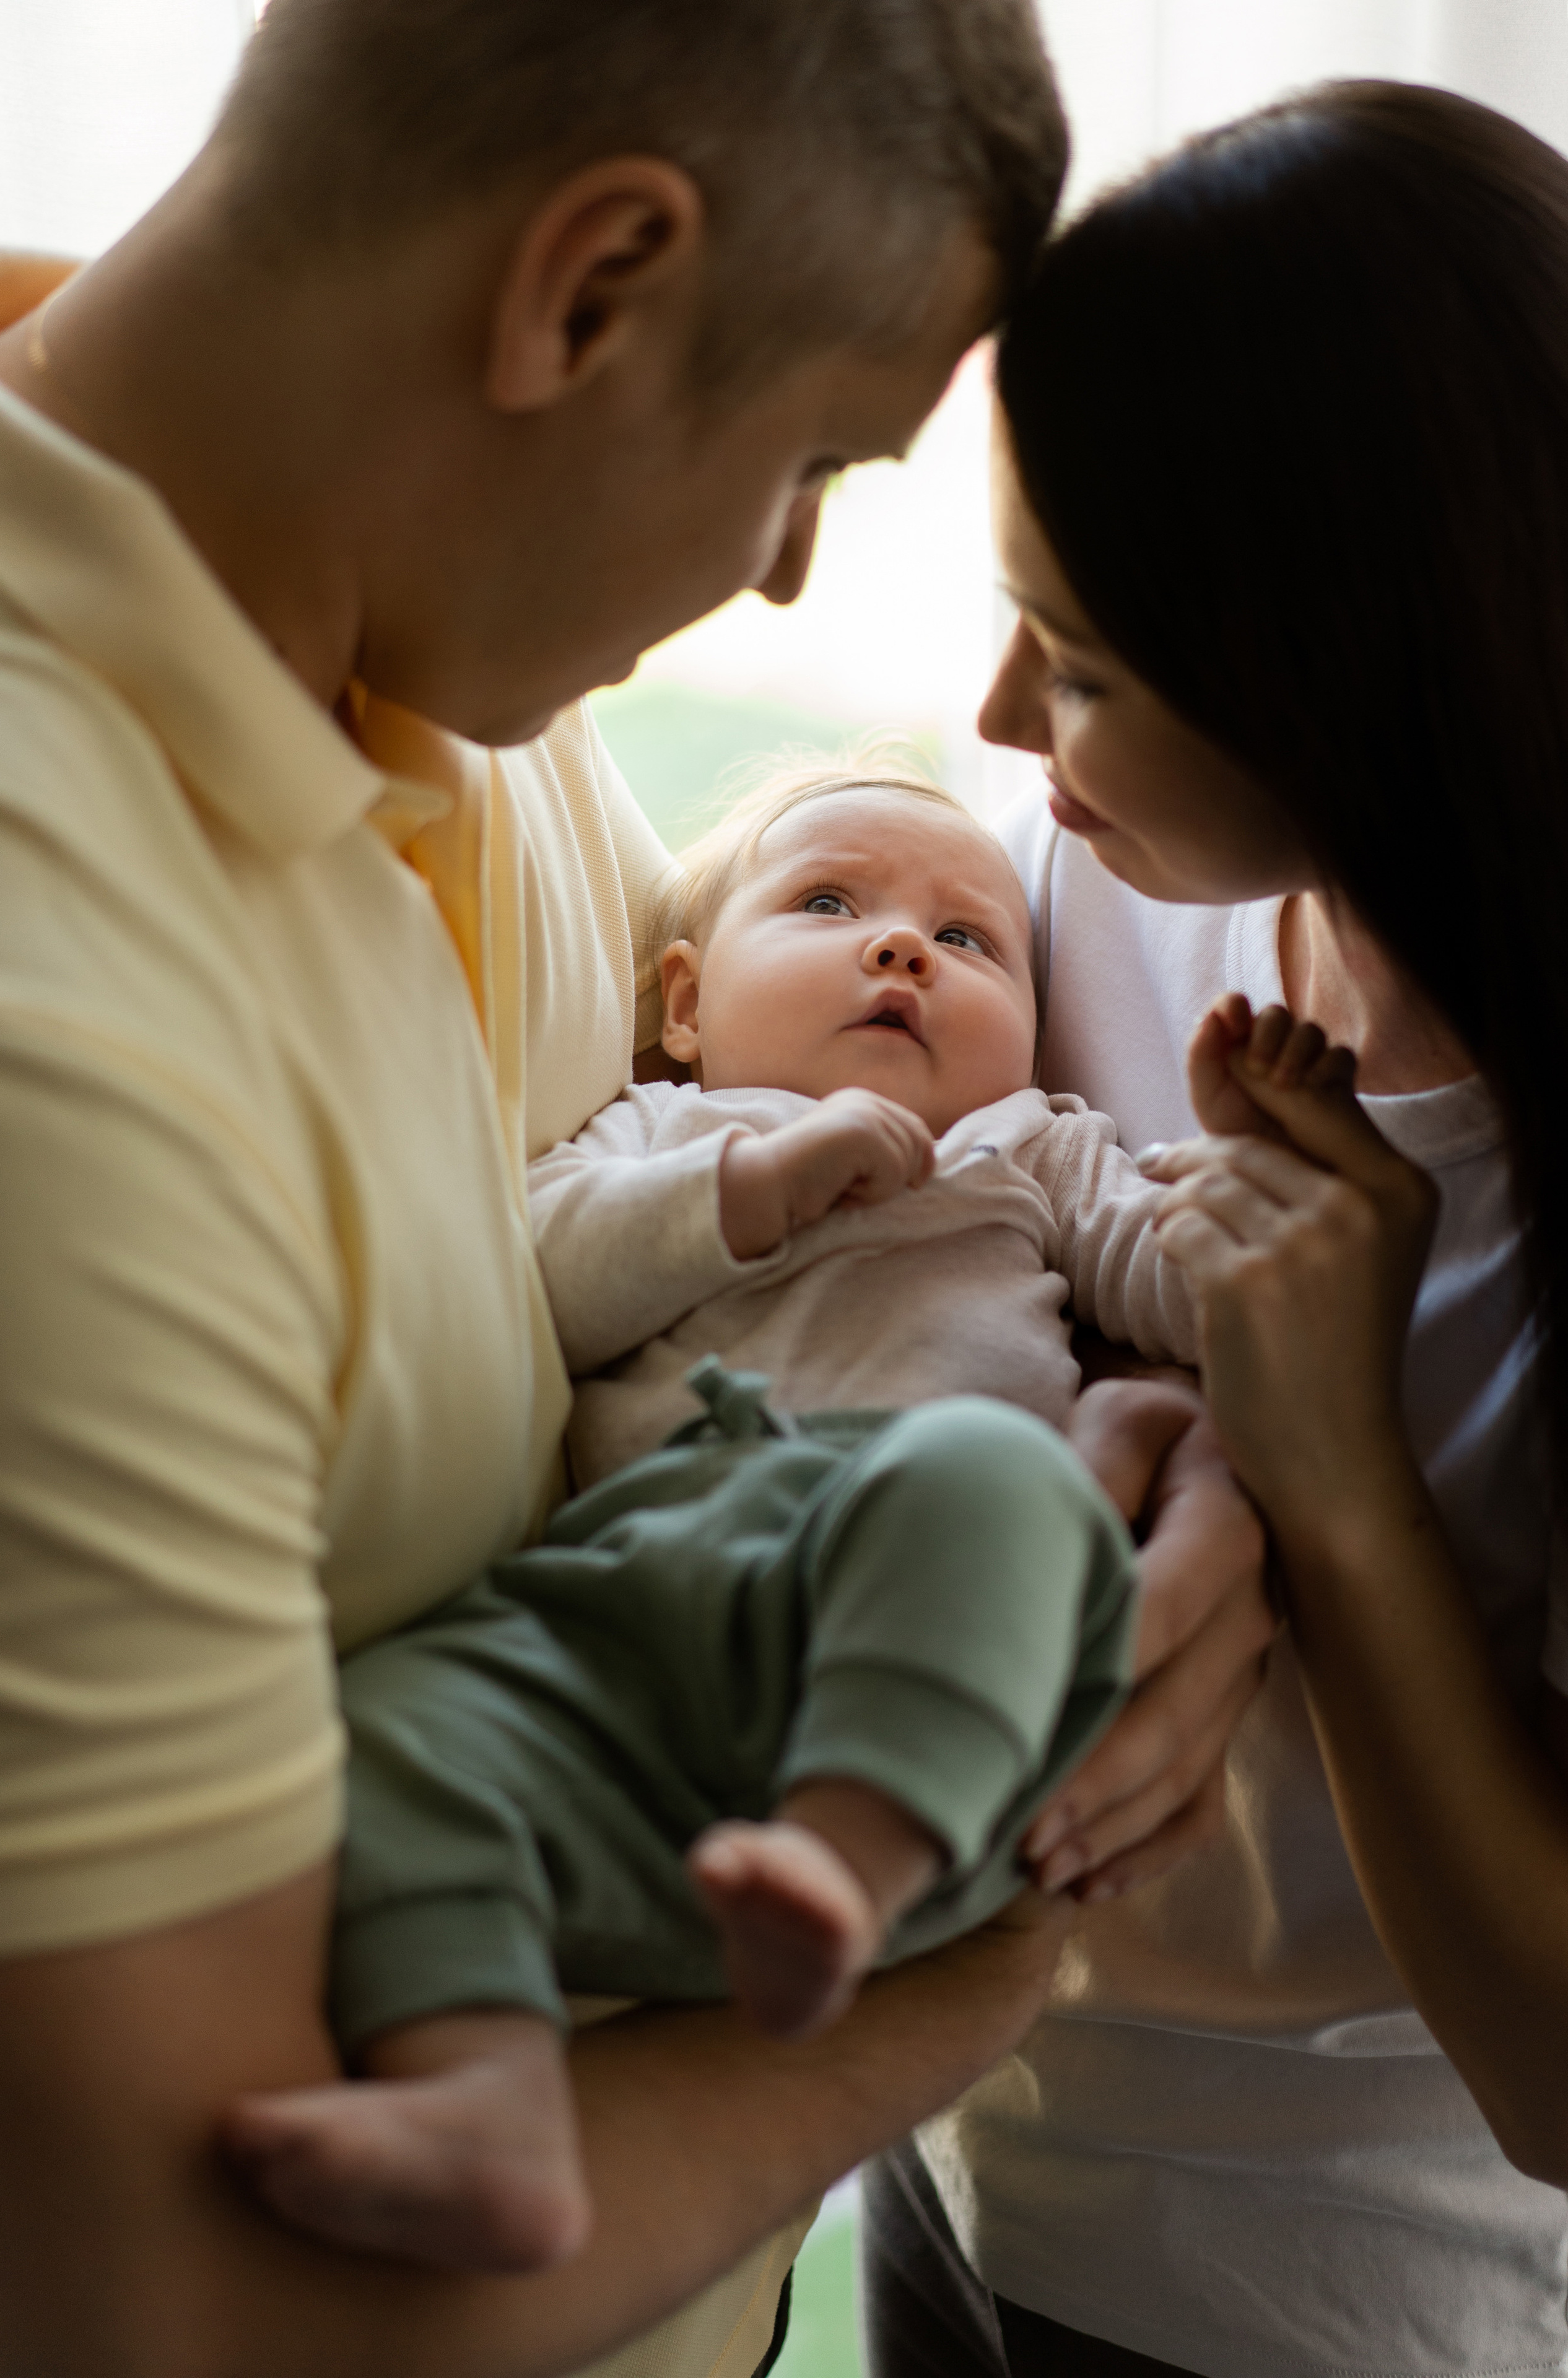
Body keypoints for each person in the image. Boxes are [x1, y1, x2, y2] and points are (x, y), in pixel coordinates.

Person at [0, 6, 1276, 2374]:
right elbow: (173, 2303)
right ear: (585, 297)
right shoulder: (45, 1038)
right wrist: (986, 1956)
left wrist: (1188, 1489)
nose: (782, 585)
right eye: (809, 463)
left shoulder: (449, 667)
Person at [861, 76, 1568, 2378]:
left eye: (1078, 665)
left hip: (1303, 2303)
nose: (996, 719)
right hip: (953, 2145)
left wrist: (1336, 1477)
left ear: (1350, 674)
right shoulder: (1114, 875)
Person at [219, 762, 1214, 2275]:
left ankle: (847, 1854)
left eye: (967, 940)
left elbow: (1188, 1282)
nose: (900, 950)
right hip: (641, 1622)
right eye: (829, 905)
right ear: (685, 1002)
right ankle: (477, 2090)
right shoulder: (660, 1129)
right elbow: (535, 1277)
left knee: (1005, 1478)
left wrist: (1254, 1188)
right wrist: (749, 1185)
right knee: (395, 1731)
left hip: (932, 1649)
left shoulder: (1028, 1141)